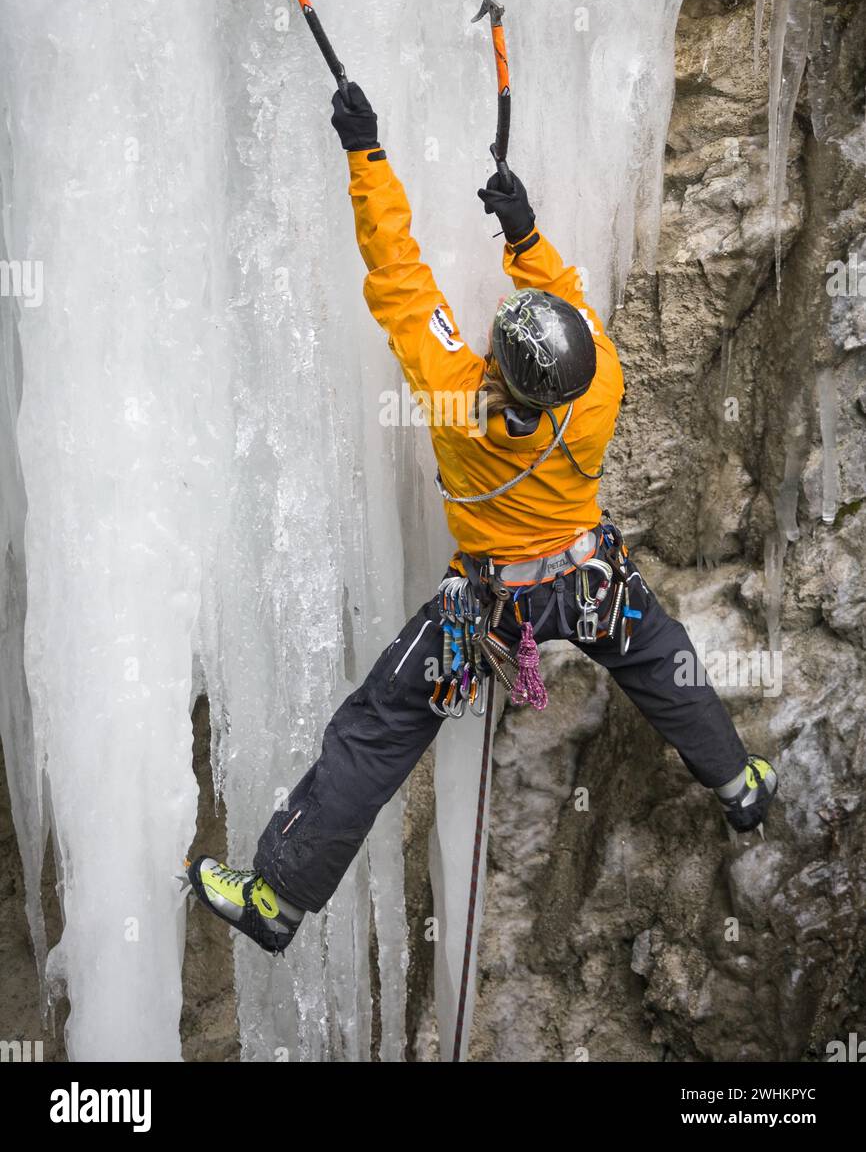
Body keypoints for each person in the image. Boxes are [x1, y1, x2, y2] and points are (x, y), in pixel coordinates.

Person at [187, 84, 777, 954]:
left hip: (493, 611)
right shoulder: (600, 383)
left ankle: (277, 894)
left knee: (380, 725)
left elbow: (399, 278)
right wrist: (525, 233)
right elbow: (568, 298)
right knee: (660, 659)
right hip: (588, 583)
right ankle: (740, 784)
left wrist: (366, 155)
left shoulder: (456, 397)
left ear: (496, 362)